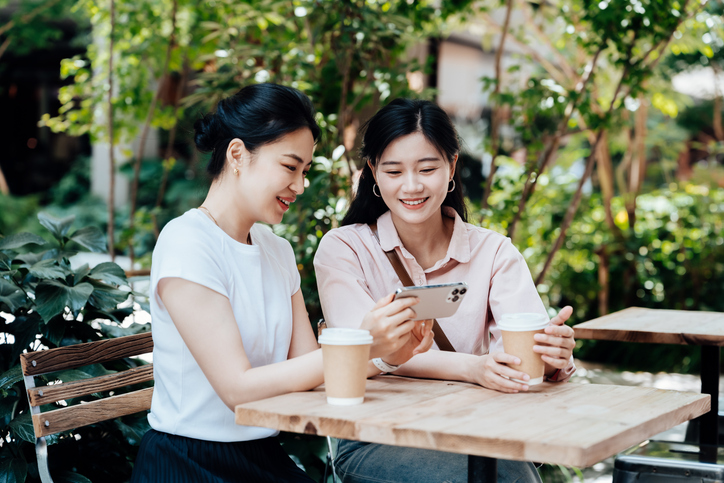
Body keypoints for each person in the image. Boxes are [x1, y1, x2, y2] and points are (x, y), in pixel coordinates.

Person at [130, 84, 433, 483]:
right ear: (237, 154)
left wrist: (388, 352)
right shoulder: (187, 242)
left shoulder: (276, 250)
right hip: (188, 461)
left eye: (305, 171)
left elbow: (311, 374)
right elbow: (236, 389)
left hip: (262, 459)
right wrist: (361, 341)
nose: (301, 185)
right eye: (290, 167)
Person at [313, 98, 577, 483]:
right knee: (507, 477)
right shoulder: (345, 249)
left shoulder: (494, 252)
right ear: (373, 172)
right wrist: (473, 368)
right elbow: (364, 350)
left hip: (477, 430)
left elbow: (517, 360)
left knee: (505, 471)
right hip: (374, 437)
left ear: (452, 166)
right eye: (393, 170)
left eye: (427, 168)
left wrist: (551, 359)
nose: (412, 185)